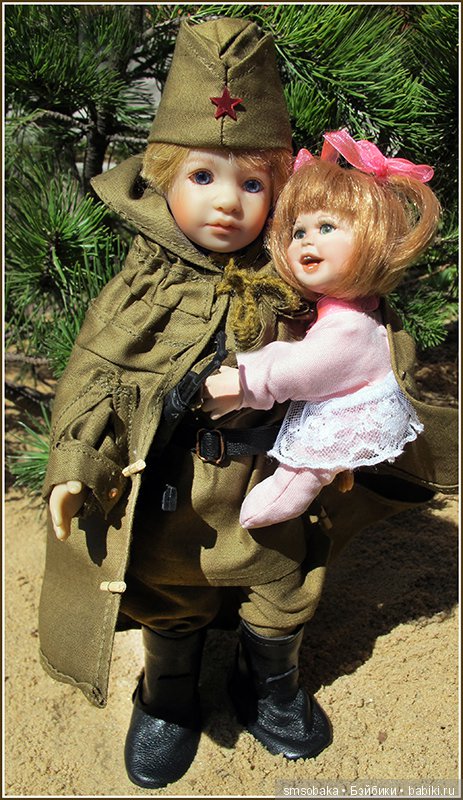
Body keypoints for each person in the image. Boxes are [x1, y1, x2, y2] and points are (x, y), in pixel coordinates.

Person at [38, 18, 457, 792]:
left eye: (254, 183)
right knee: (170, 592)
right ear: (162, 177)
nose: (228, 203)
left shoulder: (299, 274)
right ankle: (167, 694)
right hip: (174, 494)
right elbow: (95, 374)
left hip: (271, 476)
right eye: (202, 176)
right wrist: (76, 463)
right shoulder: (144, 285)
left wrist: (347, 432)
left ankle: (270, 682)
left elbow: (366, 351)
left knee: (280, 585)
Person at [203, 129, 441, 530]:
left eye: (327, 228)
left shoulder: (350, 324)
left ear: (373, 241)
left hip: (351, 411)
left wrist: (247, 382)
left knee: (305, 467)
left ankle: (281, 501)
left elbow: (309, 365)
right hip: (349, 401)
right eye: (298, 232)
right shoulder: (352, 309)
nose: (307, 241)